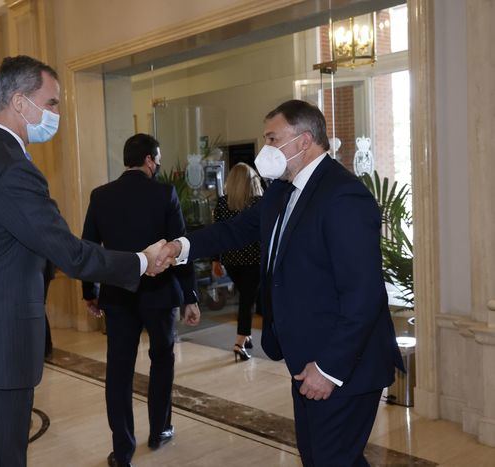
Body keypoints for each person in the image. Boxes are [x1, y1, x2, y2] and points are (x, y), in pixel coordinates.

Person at [0, 55, 171, 467]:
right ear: (19, 101)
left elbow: (15, 246)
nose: (57, 113)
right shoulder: (10, 167)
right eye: (52, 103)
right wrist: (139, 262)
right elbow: (69, 251)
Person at [155, 100, 404, 466]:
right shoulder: (281, 191)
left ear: (303, 141)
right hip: (306, 359)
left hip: (343, 366)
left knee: (330, 458)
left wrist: (330, 369)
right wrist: (179, 246)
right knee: (323, 457)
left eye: (273, 138)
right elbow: (234, 230)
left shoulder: (343, 195)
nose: (265, 149)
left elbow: (363, 295)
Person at [82, 133, 201, 467]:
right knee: (162, 360)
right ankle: (159, 430)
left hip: (117, 297)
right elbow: (181, 249)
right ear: (150, 159)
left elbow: (89, 249)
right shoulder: (165, 193)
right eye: (158, 157)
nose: (159, 163)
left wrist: (89, 292)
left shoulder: (101, 196)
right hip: (160, 296)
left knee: (118, 372)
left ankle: (123, 451)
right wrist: (190, 296)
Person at [212, 162, 264, 362]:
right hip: (254, 259)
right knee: (247, 300)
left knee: (246, 296)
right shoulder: (258, 202)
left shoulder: (223, 203)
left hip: (232, 260)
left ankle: (247, 335)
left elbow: (217, 234)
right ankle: (240, 342)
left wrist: (216, 260)